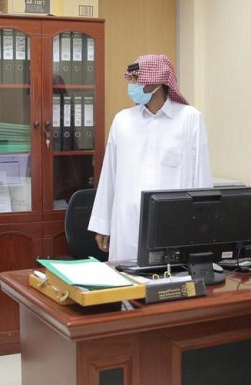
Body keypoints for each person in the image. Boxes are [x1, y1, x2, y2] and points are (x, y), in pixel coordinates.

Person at [88, 54, 213, 261]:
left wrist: (203, 230)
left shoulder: (189, 119)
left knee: (171, 277)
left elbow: (201, 178)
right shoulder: (122, 121)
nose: (132, 84)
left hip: (173, 226)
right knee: (125, 278)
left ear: (157, 80)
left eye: (137, 79)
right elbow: (109, 175)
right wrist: (102, 224)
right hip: (127, 226)